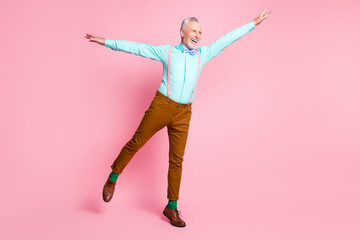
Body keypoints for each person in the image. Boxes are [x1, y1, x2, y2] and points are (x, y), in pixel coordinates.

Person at [85, 8, 271, 227]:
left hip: (184, 113)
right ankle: (113, 178)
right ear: (182, 32)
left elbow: (227, 39)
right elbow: (137, 48)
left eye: (200, 32)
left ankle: (171, 207)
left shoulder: (203, 54)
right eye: (193, 30)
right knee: (137, 142)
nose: (197, 35)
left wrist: (253, 23)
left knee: (177, 160)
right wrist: (105, 42)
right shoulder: (168, 52)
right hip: (162, 106)